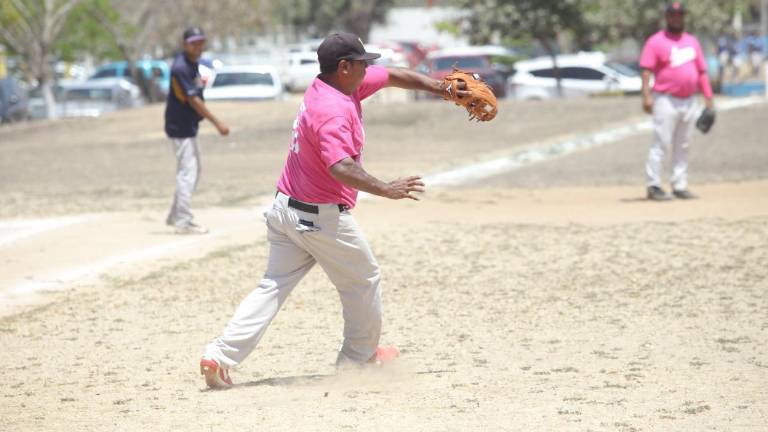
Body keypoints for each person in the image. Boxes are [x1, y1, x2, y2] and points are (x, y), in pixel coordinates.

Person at [199, 32, 471, 389]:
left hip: (285, 209)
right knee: (363, 280)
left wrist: (441, 88)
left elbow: (392, 75)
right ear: (344, 67)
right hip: (319, 217)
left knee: (272, 286)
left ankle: (219, 357)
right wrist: (386, 189)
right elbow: (340, 167)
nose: (367, 69)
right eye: (361, 64)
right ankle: (358, 359)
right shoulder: (332, 110)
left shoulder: (331, 85)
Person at [639, 2, 714, 201]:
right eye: (673, 14)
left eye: (680, 14)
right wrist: (646, 95)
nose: (677, 18)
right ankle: (654, 185)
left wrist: (709, 99)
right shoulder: (656, 41)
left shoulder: (692, 42)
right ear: (667, 17)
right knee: (661, 142)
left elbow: (702, 72)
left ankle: (679, 184)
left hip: (689, 100)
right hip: (665, 99)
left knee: (684, 144)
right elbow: (646, 70)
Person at [164, 27, 229, 234]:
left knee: (192, 171)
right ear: (185, 44)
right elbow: (193, 100)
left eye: (200, 42)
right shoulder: (181, 67)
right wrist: (217, 123)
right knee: (188, 173)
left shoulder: (192, 64)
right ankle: (183, 221)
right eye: (193, 43)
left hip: (187, 125)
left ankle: (176, 215)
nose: (198, 46)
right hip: (180, 126)